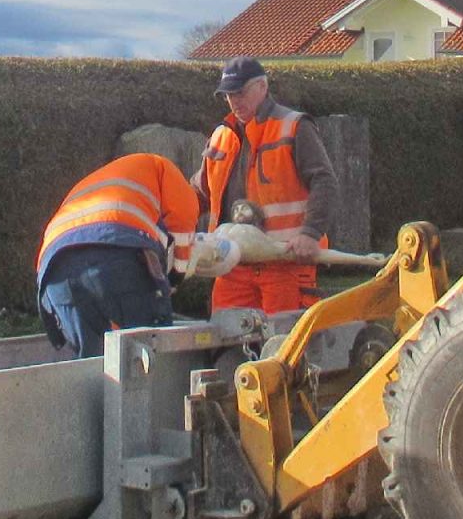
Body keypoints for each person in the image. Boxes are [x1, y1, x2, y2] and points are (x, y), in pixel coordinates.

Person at [194, 56, 337, 315]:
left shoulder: (294, 126)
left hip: (285, 261)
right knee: (226, 335)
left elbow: (324, 181)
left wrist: (310, 233)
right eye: (228, 95)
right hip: (232, 265)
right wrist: (169, 222)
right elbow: (200, 192)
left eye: (240, 92)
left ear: (262, 86)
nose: (234, 101)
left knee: (283, 337)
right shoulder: (220, 136)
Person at [37, 152, 201, 357]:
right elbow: (183, 228)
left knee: (93, 364)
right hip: (114, 254)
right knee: (149, 352)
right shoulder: (170, 174)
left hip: (53, 274)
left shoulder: (107, 180)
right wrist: (175, 278)